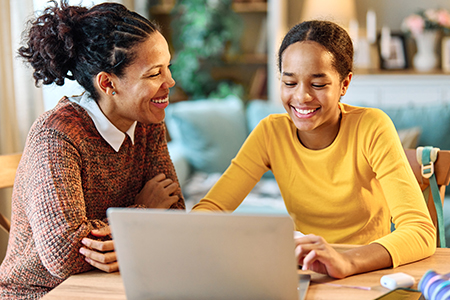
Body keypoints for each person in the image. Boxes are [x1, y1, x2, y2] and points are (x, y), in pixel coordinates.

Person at [192, 20, 436, 278]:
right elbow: (210, 210)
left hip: (365, 271)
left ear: (344, 84)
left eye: (318, 84)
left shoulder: (371, 127)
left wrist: (345, 261)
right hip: (307, 273)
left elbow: (420, 231)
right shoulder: (270, 133)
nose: (301, 97)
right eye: (289, 83)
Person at [0, 1, 184, 298]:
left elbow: (174, 212)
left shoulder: (147, 122)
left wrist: (121, 237)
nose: (170, 82)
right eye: (154, 74)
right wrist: (144, 210)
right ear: (108, 83)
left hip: (114, 283)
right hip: (41, 293)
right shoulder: (57, 135)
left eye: (168, 68)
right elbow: (64, 255)